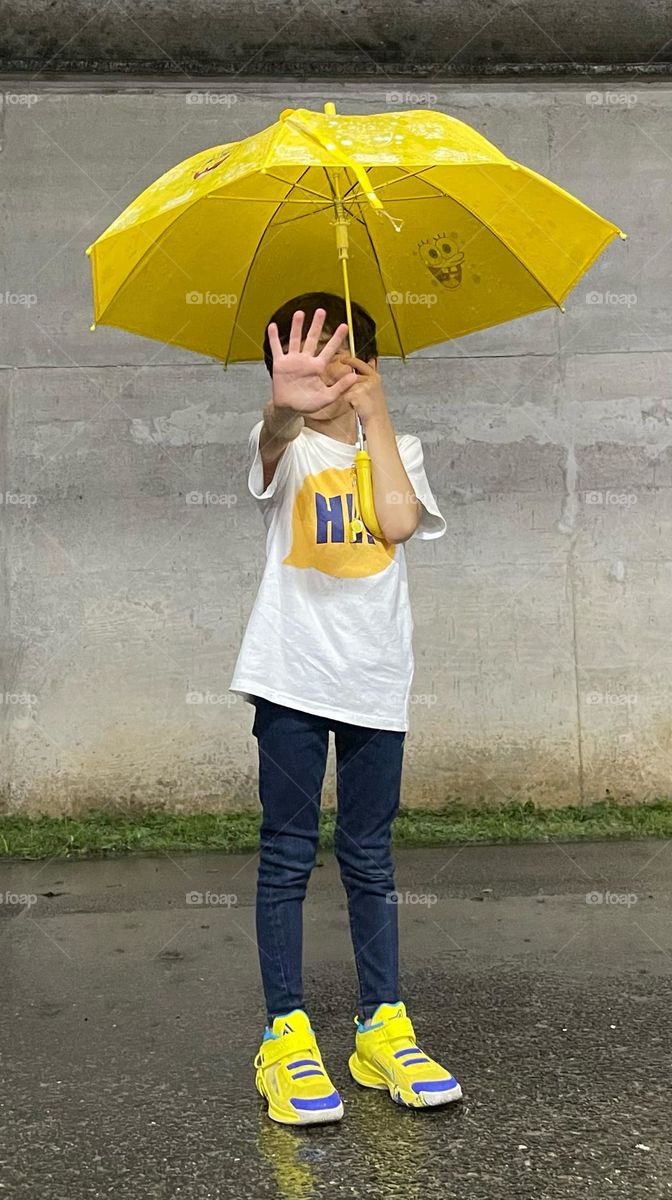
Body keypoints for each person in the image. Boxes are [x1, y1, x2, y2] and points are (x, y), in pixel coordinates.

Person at [229, 291, 462, 1124]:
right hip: (291, 678)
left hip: (373, 683)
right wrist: (280, 410)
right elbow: (269, 446)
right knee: (288, 853)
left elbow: (396, 522)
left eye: (338, 355)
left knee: (370, 856)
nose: (320, 371)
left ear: (364, 362)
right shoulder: (284, 451)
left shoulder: (401, 449)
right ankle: (285, 1033)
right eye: (302, 358)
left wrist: (379, 418)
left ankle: (381, 1026)